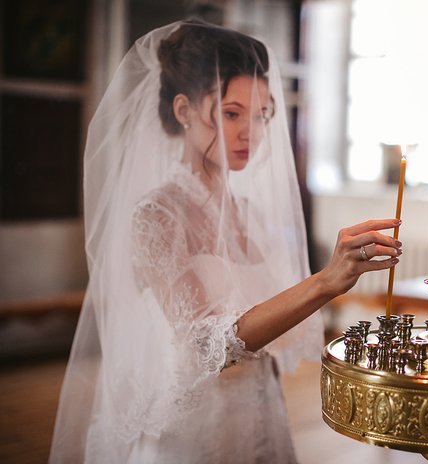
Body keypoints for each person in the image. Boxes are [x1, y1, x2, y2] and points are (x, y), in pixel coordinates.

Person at [50, 20, 402, 463]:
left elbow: (272, 327)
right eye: (231, 113)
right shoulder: (156, 216)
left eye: (261, 115)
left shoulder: (249, 212)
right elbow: (204, 346)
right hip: (193, 431)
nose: (249, 132)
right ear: (183, 110)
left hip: (260, 412)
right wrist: (325, 283)